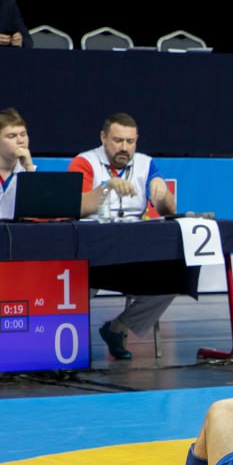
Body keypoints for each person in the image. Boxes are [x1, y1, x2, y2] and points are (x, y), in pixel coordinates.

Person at [69, 112, 177, 361]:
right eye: (118, 141)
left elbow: (168, 211)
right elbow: (76, 207)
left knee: (170, 282)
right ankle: (65, 346)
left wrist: (163, 194)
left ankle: (117, 328)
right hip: (92, 254)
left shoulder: (146, 164)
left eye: (130, 142)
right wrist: (107, 187)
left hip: (132, 252)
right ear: (103, 138)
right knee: (73, 291)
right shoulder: (84, 162)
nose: (124, 148)